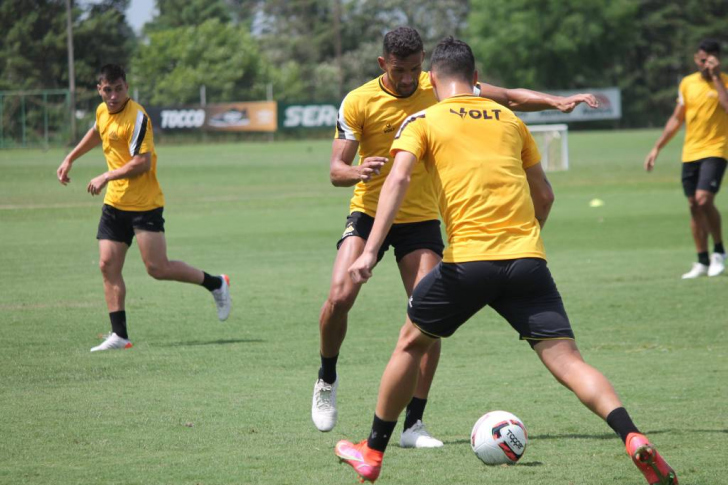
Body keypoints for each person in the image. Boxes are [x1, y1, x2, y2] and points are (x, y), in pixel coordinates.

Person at [335, 37, 677, 485]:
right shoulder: (509, 120)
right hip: (527, 261)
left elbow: (397, 180)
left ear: (432, 80)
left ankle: (372, 451)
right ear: (476, 80)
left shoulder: (423, 118)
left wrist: (369, 250)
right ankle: (631, 435)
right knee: (570, 361)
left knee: (410, 343)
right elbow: (546, 196)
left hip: (467, 263)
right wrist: (524, 244)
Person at [313, 26, 600, 447]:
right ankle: (326, 377)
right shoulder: (358, 100)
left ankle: (413, 424)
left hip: (423, 218)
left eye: (415, 69)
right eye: (400, 71)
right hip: (371, 211)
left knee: (426, 316)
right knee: (339, 296)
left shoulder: (441, 85)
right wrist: (358, 170)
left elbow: (511, 98)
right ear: (382, 64)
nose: (410, 79)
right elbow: (336, 169)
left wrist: (556, 101)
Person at [56, 64, 231, 352]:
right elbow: (98, 131)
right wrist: (70, 158)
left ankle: (216, 284)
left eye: (118, 89)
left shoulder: (138, 117)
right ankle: (119, 335)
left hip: (144, 205)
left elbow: (142, 163)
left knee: (157, 268)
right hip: (115, 203)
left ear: (127, 87)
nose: (113, 96)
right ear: (99, 89)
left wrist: (105, 175)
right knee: (107, 265)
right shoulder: (103, 111)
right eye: (107, 90)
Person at [645, 38, 728, 279]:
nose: (705, 64)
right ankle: (702, 260)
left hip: (716, 149)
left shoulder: (723, 82)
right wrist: (656, 148)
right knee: (693, 205)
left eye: (710, 60)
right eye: (702, 60)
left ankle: (719, 252)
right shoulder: (687, 84)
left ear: (717, 60)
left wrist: (715, 78)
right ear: (696, 58)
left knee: (704, 200)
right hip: (690, 152)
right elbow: (676, 118)